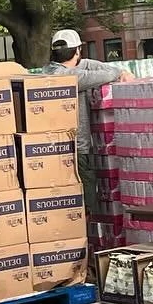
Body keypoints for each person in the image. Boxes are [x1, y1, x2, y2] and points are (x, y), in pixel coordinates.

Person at [45, 29, 133, 211]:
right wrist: (119, 72)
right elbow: (108, 73)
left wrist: (83, 63)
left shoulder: (49, 72)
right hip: (74, 149)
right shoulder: (65, 77)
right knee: (83, 203)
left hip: (50, 148)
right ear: (77, 51)